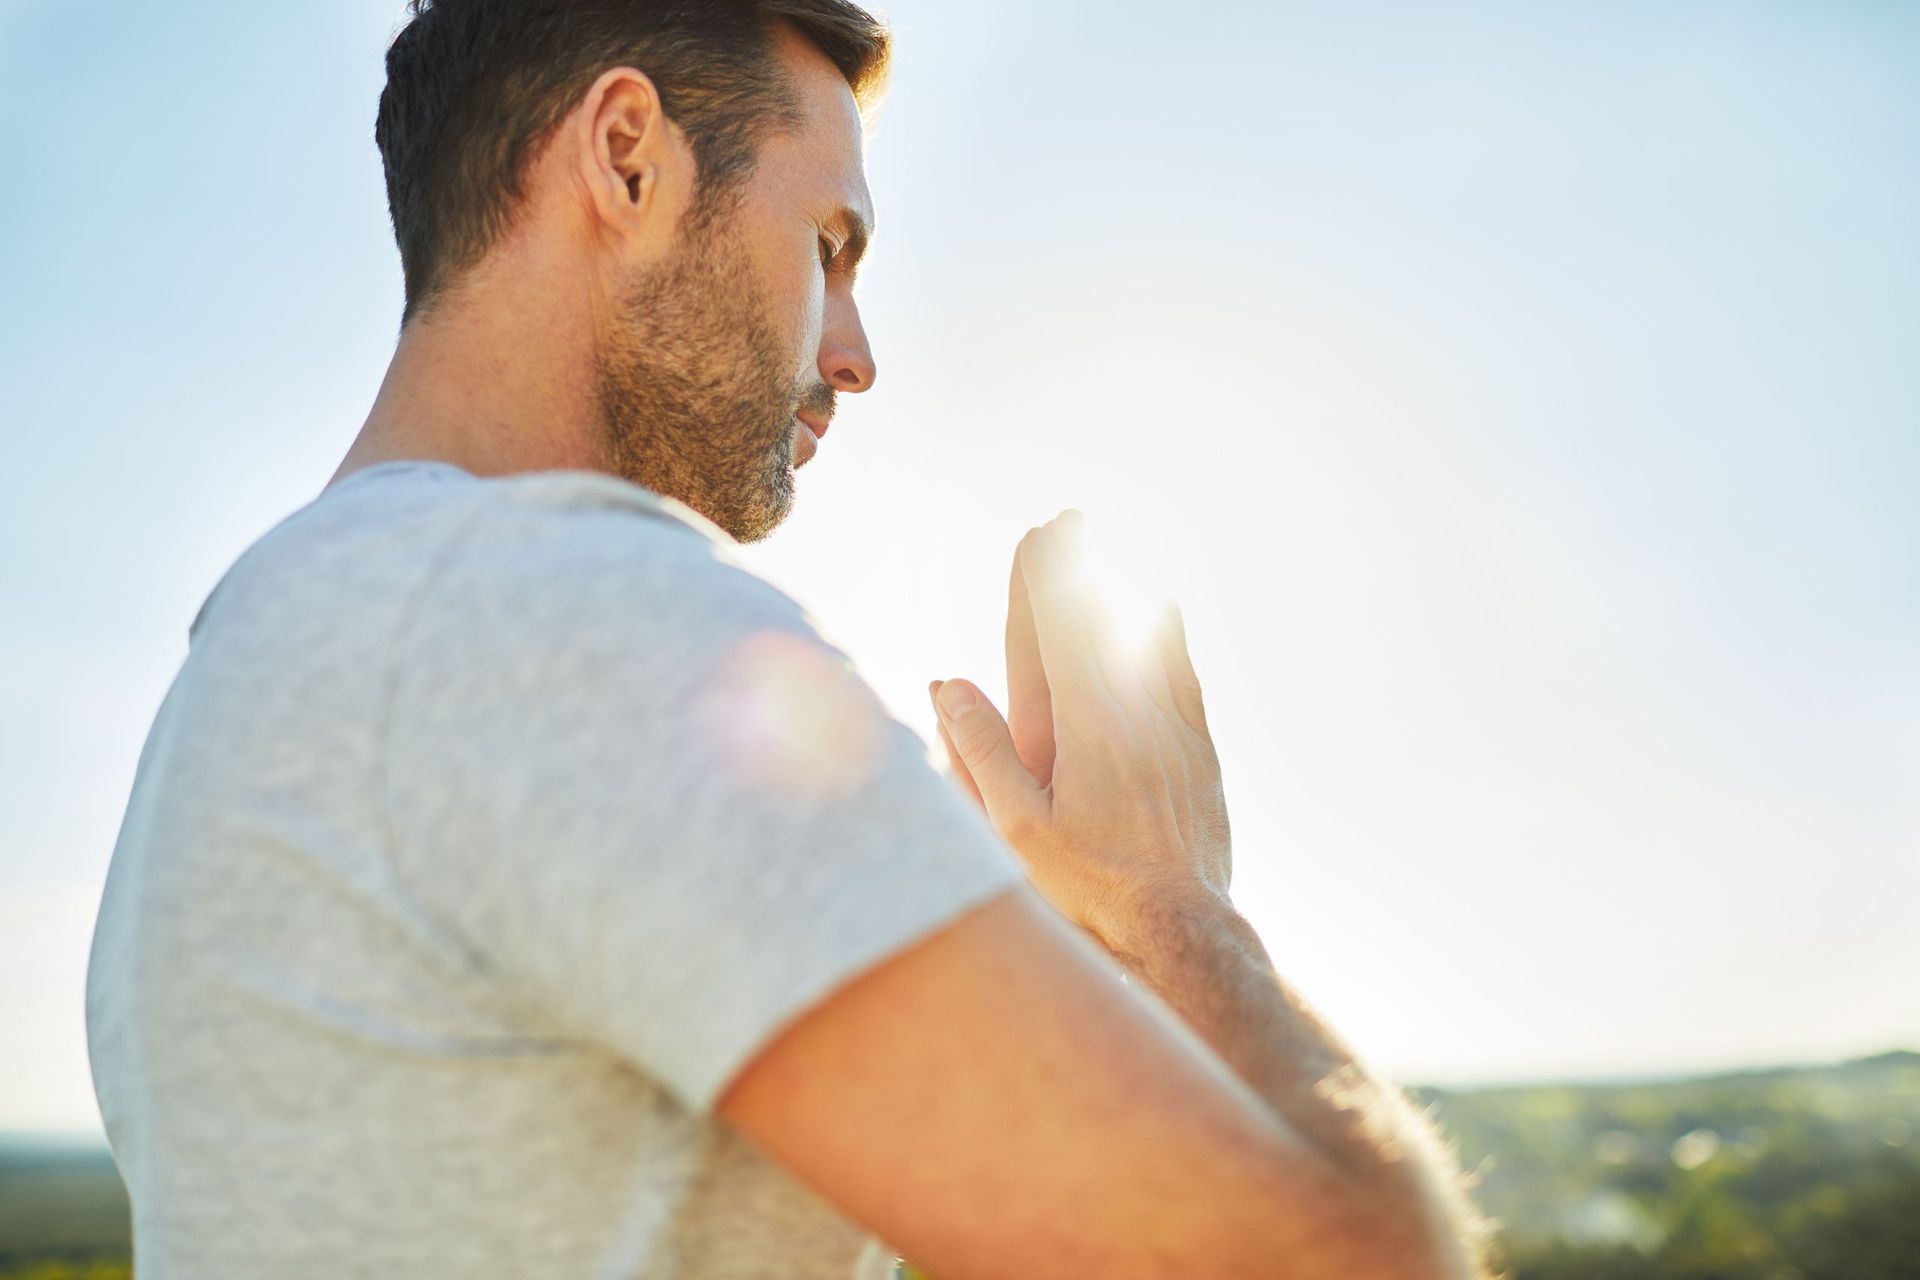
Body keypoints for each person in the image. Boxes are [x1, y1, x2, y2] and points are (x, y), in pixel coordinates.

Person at [86, 2, 1487, 1277]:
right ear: (629, 156)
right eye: (831, 246)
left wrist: (1046, 967)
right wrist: (1177, 905)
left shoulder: (266, 653)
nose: (857, 350)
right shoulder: (548, 611)